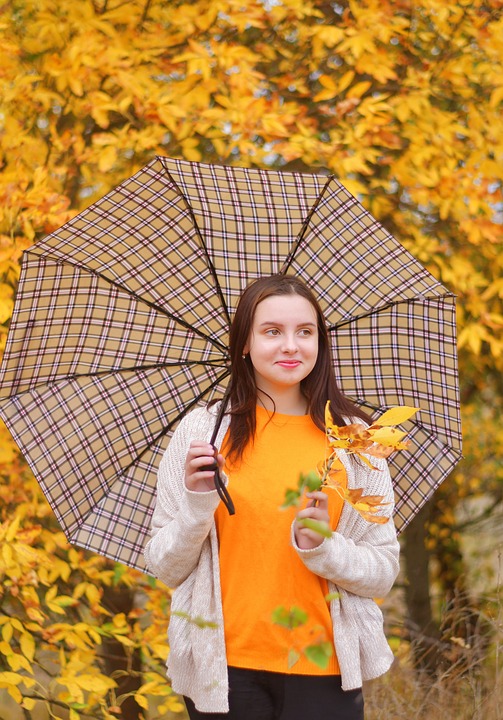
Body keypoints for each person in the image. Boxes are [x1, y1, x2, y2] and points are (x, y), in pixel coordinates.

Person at [144, 275, 400, 719]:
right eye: (271, 331)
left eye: (305, 332)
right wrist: (196, 504)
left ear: (320, 341)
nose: (291, 346)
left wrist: (323, 547)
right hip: (224, 668)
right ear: (244, 343)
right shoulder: (203, 433)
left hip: (323, 667)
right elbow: (166, 566)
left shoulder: (354, 443)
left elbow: (381, 573)